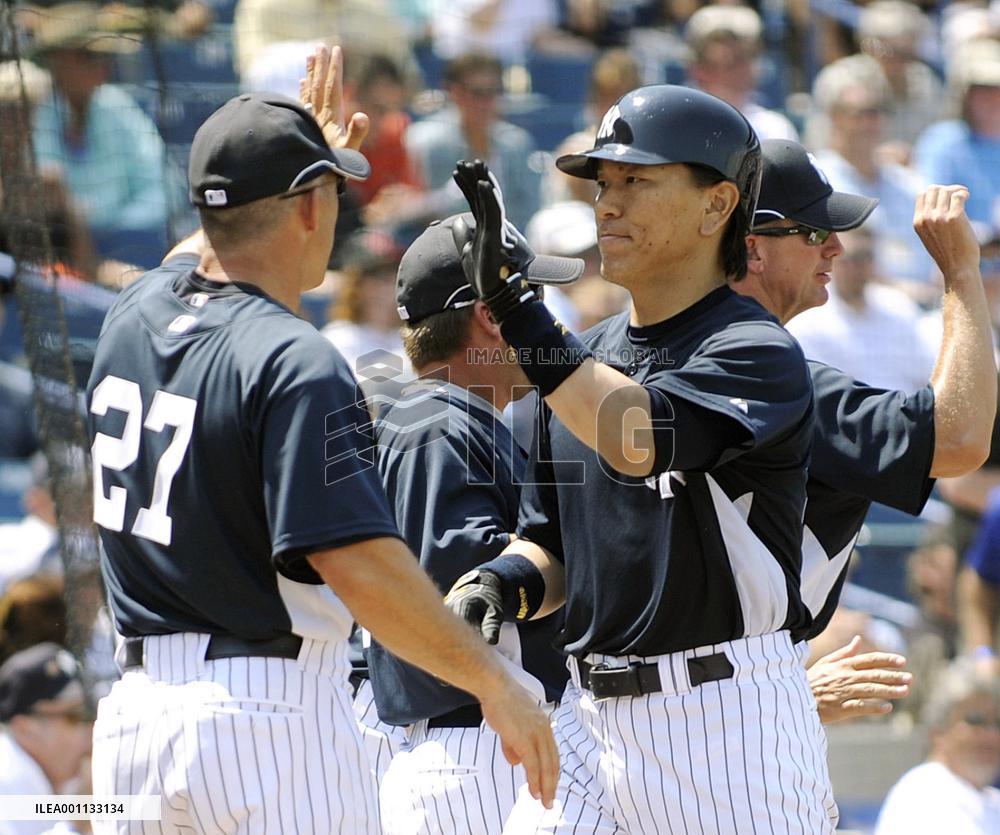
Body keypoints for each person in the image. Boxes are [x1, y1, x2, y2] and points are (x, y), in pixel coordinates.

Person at [84, 44, 558, 833]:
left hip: (132, 723)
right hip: (265, 719)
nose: (343, 205)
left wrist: (284, 158)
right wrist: (494, 680)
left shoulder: (134, 312)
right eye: (335, 188)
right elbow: (359, 565)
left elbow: (201, 247)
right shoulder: (294, 357)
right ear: (308, 205)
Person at [447, 85, 836, 832]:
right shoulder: (582, 360)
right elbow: (553, 546)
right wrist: (499, 584)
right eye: (603, 183)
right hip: (587, 719)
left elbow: (636, 437)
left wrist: (519, 307)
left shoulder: (753, 347)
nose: (608, 203)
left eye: (637, 180)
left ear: (717, 205)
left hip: (725, 724)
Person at [732, 138, 996, 721]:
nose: (835, 246)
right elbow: (960, 439)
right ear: (752, 247)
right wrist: (960, 273)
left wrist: (783, 696)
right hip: (708, 708)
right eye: (812, 233)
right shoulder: (772, 381)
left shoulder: (620, 355)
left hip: (700, 693)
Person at [367, 214, 582, 834]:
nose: (544, 318)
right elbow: (464, 587)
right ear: (491, 315)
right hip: (478, 746)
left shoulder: (455, 417)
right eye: (528, 297)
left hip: (484, 739)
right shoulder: (438, 421)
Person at [874, 665, 1000, 833]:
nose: (992, 735)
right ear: (938, 732)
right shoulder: (922, 793)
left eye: (997, 723)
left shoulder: (991, 799)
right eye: (975, 721)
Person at [0, 643, 92, 835]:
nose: (89, 730)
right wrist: (78, 825)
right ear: (26, 729)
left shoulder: (46, 781)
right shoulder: (6, 781)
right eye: (75, 717)